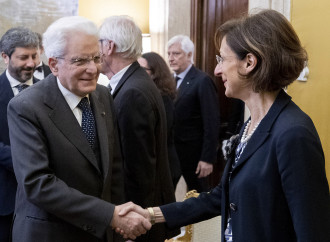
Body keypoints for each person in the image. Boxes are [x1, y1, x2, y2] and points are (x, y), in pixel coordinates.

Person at [118, 9, 330, 242]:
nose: (217, 70)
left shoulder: (293, 132)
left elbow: (313, 232)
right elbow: (222, 195)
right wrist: (152, 214)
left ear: (249, 62)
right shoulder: (253, 123)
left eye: (222, 59)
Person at [7, 16, 151, 242]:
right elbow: (38, 184)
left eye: (96, 58)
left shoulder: (103, 96)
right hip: (50, 234)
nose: (93, 69)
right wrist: (109, 215)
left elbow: (113, 169)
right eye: (80, 61)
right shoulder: (26, 107)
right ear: (54, 64)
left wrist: (119, 225)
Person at [98, 16, 179, 241]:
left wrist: (131, 225)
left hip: (140, 221)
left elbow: (138, 169)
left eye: (99, 44)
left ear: (109, 46)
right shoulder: (136, 81)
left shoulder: (133, 92)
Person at [0, 26, 40, 242]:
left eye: (34, 56)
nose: (31, 63)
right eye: (24, 57)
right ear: (5, 57)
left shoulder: (50, 91)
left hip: (45, 202)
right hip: (6, 198)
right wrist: (26, 161)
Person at [167, 34, 220, 192]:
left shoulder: (202, 81)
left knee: (198, 196)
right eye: (169, 53)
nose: (171, 58)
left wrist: (207, 158)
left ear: (189, 55)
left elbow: (212, 122)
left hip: (195, 155)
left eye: (176, 54)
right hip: (172, 153)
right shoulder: (169, 80)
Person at [138, 52, 181, 189]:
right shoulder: (153, 95)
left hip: (166, 166)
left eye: (142, 70)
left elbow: (162, 132)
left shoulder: (163, 98)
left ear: (155, 72)